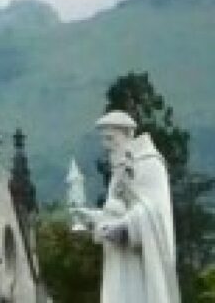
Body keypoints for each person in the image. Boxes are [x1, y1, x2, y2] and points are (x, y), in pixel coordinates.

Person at [72, 110, 180, 303]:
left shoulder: (150, 164)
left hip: (140, 266)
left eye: (111, 139)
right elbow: (115, 211)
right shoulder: (120, 168)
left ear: (128, 135)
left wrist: (124, 226)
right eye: (104, 141)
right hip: (119, 261)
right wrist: (94, 218)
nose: (107, 146)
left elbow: (155, 212)